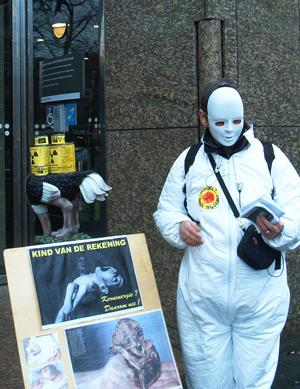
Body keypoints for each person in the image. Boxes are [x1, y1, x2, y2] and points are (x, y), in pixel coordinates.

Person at [153, 78, 300, 389]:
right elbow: (165, 210)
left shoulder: (270, 157)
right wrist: (179, 226)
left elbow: (297, 209)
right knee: (206, 380)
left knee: (254, 382)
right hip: (203, 299)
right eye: (220, 121)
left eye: (237, 120)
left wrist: (282, 230)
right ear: (203, 117)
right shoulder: (189, 161)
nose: (230, 129)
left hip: (260, 297)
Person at [55, 255, 127, 323]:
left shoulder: (87, 286)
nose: (114, 271)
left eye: (115, 279)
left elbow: (67, 311)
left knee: (64, 312)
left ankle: (69, 288)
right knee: (60, 314)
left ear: (104, 287)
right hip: (78, 286)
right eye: (117, 273)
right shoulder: (94, 274)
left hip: (77, 289)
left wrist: (70, 288)